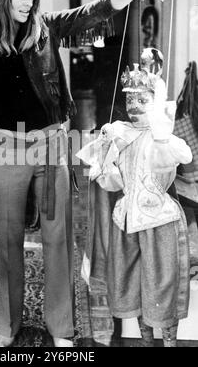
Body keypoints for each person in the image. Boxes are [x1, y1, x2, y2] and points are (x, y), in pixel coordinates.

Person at [0, 0, 178, 347]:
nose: (29, 2)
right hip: (6, 150)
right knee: (7, 240)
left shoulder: (47, 31)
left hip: (50, 145)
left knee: (58, 237)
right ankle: (7, 326)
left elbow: (91, 13)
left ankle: (61, 326)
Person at [77, 48, 193, 347]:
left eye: (143, 100)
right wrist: (103, 151)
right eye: (130, 99)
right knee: (133, 287)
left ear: (155, 102)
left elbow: (184, 155)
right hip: (125, 221)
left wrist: (161, 129)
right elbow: (112, 182)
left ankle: (168, 344)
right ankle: (145, 342)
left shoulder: (163, 137)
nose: (134, 105)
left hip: (160, 222)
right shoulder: (120, 134)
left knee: (160, 289)